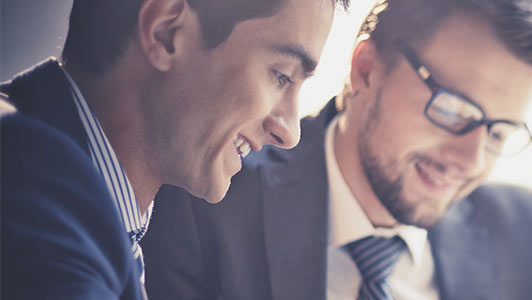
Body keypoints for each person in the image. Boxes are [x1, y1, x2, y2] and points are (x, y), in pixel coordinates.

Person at [140, 0, 532, 299]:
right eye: (454, 111)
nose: (471, 161)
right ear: (368, 70)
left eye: (497, 133)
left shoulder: (531, 238)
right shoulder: (204, 202)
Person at [0, 0, 349, 298]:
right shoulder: (31, 204)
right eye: (281, 75)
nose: (289, 132)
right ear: (165, 33)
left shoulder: (90, 211)